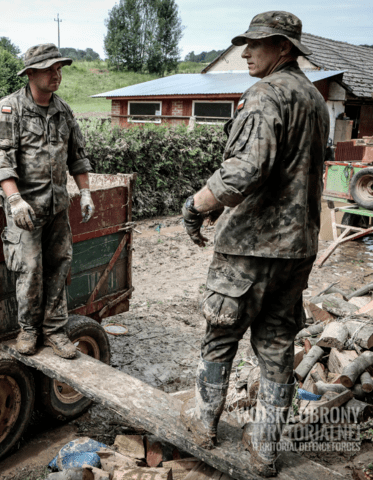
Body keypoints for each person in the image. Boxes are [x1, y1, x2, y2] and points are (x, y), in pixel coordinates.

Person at [179, 11, 330, 477]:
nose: (245, 52)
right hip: (297, 248)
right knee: (277, 345)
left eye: (256, 45)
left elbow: (245, 170)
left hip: (249, 248)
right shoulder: (314, 99)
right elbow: (292, 169)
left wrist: (199, 203)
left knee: (220, 336)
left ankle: (203, 425)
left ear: (283, 48)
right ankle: (266, 450)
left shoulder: (265, 95)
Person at [0, 43, 94, 359]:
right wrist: (15, 200)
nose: (56, 74)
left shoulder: (63, 111)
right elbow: (0, 157)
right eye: (50, 69)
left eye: (59, 68)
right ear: (31, 73)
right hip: (25, 209)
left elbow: (77, 155)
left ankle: (55, 331)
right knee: (29, 269)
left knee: (59, 267)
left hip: (57, 207)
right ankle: (29, 331)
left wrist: (85, 191)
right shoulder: (10, 109)